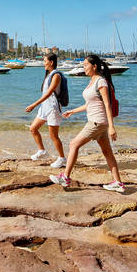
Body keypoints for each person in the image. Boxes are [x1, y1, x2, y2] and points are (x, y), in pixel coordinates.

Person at [49, 54, 124, 193]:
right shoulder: (92, 81)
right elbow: (90, 104)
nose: (83, 67)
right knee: (107, 152)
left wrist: (112, 127)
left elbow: (107, 104)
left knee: (73, 144)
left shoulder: (100, 82)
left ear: (94, 66)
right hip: (100, 122)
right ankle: (118, 183)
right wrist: (73, 111)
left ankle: (65, 177)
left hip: (97, 122)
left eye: (85, 65)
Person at [25, 53, 67, 168]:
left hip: (53, 109)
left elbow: (49, 93)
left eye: (45, 61)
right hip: (44, 108)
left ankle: (62, 158)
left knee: (53, 136)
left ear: (51, 62)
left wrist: (34, 104)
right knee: (33, 129)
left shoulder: (56, 75)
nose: (44, 64)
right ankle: (42, 151)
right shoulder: (48, 75)